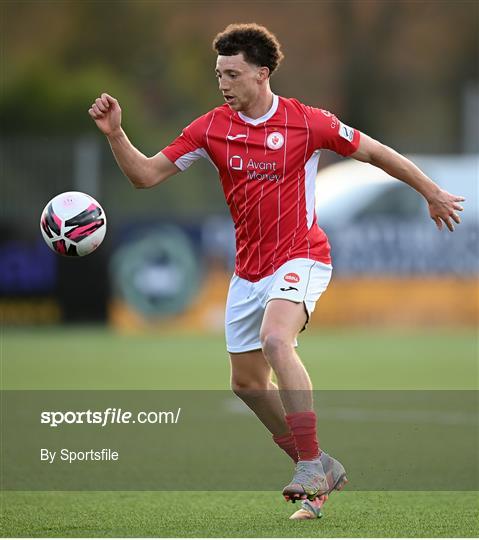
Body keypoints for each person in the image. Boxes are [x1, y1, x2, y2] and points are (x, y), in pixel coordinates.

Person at [89, 23, 464, 520]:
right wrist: (116, 134)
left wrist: (431, 192)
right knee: (245, 385)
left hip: (302, 254)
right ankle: (318, 465)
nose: (223, 83)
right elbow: (145, 175)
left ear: (262, 73)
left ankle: (309, 466)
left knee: (275, 341)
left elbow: (377, 153)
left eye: (233, 74)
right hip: (248, 272)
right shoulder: (209, 129)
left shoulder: (307, 122)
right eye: (219, 74)